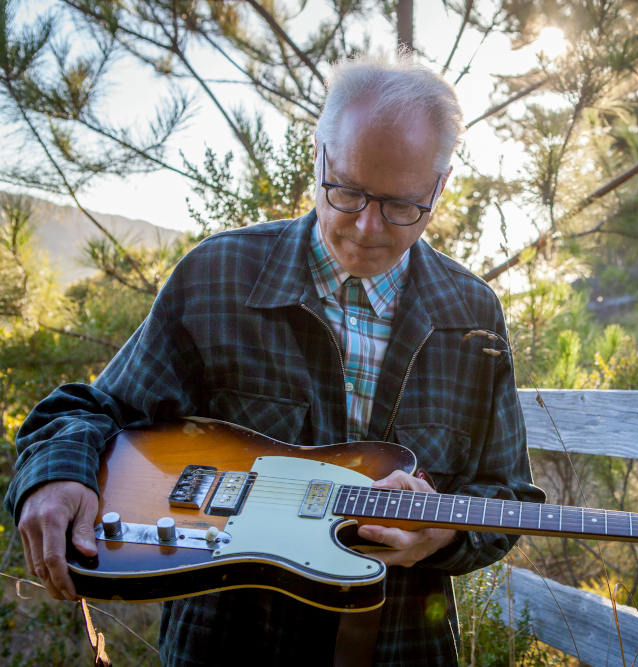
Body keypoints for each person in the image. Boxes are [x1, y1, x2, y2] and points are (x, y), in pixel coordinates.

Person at [5, 55, 543, 666]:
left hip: (404, 647)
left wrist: (444, 535)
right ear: (318, 156)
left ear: (440, 187)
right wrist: (56, 475)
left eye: (401, 205)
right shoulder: (219, 276)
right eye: (346, 190)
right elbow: (93, 409)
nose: (367, 226)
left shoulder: (472, 312)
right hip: (227, 645)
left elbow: (508, 498)